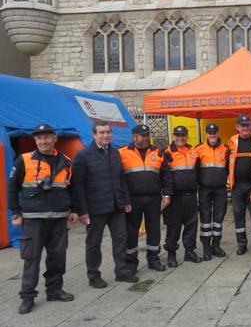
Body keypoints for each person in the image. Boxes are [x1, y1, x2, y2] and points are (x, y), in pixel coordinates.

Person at [8, 124, 76, 314]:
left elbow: (72, 188)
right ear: (35, 141)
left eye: (47, 137)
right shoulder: (24, 159)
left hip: (58, 218)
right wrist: (15, 212)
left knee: (57, 257)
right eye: (39, 138)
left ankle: (54, 290)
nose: (43, 141)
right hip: (33, 219)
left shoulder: (66, 161)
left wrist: (74, 209)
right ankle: (27, 296)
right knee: (32, 258)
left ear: (54, 139)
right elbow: (12, 188)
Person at [71, 121, 137, 290]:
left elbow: (121, 179)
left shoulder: (115, 153)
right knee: (94, 243)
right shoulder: (83, 156)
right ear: (94, 134)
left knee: (121, 240)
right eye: (102, 132)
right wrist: (81, 211)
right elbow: (77, 186)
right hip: (95, 209)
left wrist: (126, 200)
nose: (106, 135)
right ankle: (93, 275)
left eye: (108, 132)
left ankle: (121, 271)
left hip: (116, 207)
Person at [119, 124, 171, 272]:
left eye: (147, 134)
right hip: (132, 201)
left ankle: (153, 259)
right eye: (143, 135)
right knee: (131, 231)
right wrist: (124, 199)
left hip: (154, 199)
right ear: (134, 137)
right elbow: (118, 179)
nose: (146, 138)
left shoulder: (158, 152)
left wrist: (166, 195)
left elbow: (166, 175)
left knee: (154, 230)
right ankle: (131, 262)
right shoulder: (122, 153)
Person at [162, 125, 202, 267]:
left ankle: (189, 252)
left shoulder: (193, 151)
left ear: (187, 136)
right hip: (174, 198)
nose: (181, 138)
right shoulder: (166, 153)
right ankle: (171, 253)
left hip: (191, 195)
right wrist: (166, 195)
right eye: (178, 135)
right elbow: (164, 176)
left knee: (191, 225)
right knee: (174, 227)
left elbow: (197, 171)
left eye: (183, 135)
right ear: (173, 136)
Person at [228, 114, 251, 255]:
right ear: (237, 127)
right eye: (242, 125)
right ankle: (242, 244)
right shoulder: (232, 141)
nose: (245, 128)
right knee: (238, 215)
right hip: (237, 185)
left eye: (247, 125)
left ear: (250, 126)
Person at [196, 123, 229, 260]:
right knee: (205, 218)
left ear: (218, 132)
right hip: (204, 189)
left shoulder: (226, 149)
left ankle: (216, 245)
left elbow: (228, 168)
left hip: (220, 189)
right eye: (210, 132)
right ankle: (206, 247)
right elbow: (195, 169)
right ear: (206, 134)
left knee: (219, 217)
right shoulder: (199, 149)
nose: (212, 135)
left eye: (214, 132)